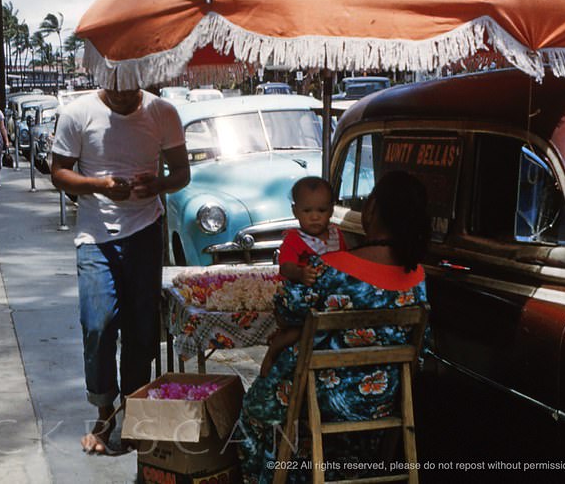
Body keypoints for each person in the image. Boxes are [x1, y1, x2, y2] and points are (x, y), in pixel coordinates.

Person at [237, 171, 430, 482]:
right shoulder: (418, 277)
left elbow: (286, 312)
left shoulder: (328, 267)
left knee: (255, 409)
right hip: (382, 403)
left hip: (320, 399)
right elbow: (421, 350)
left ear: (372, 211)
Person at [50, 88, 190, 455]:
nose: (124, 91)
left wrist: (156, 184)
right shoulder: (78, 113)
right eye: (115, 81)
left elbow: (181, 173)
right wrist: (100, 187)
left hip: (145, 229)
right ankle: (104, 411)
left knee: (142, 329)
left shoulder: (163, 112)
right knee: (97, 323)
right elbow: (59, 173)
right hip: (95, 235)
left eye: (132, 81)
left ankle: (133, 410)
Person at [259, 176, 346, 377]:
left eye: (321, 211)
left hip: (326, 298)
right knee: (299, 329)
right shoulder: (294, 239)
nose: (315, 217)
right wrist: (300, 273)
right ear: (295, 211)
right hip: (298, 298)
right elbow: (285, 267)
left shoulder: (336, 235)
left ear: (332, 210)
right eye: (307, 211)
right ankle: (274, 349)